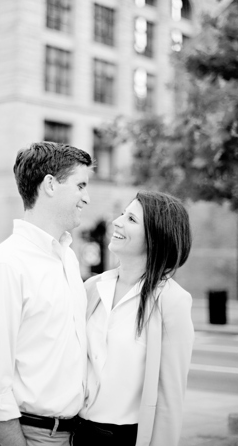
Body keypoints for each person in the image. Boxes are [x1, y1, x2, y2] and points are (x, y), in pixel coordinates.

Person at [0, 141, 93, 446]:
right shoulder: (6, 264)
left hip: (66, 434)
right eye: (80, 185)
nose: (86, 198)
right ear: (50, 185)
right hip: (23, 435)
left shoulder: (67, 258)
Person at [75, 190, 194, 446]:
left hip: (123, 438)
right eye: (121, 215)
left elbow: (170, 398)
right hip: (75, 433)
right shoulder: (92, 287)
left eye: (131, 219)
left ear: (155, 236)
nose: (117, 222)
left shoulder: (172, 301)